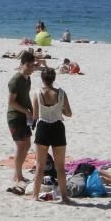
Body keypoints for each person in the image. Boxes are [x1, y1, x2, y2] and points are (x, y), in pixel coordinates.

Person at [30, 67, 73, 203]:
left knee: (39, 166)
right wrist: (59, 109)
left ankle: (35, 196)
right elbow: (69, 113)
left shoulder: (37, 93)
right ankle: (64, 197)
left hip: (43, 127)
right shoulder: (61, 93)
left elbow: (35, 115)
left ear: (42, 79)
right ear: (54, 79)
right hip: (57, 128)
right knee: (60, 166)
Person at [6, 51, 36, 192]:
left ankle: (17, 174)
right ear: (22, 64)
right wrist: (26, 111)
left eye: (33, 65)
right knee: (20, 146)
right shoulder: (15, 80)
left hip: (25, 116)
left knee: (27, 144)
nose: (31, 68)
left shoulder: (27, 79)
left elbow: (26, 96)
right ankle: (17, 176)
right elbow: (11, 102)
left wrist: (32, 111)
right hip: (14, 117)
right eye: (29, 65)